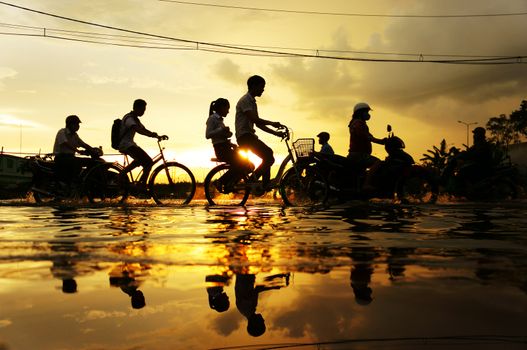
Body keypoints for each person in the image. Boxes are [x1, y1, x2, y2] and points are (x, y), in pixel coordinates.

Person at [235, 75, 286, 190]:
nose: (263, 89)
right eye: (261, 87)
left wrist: (275, 133)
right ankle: (258, 181)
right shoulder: (245, 101)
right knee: (268, 155)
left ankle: (262, 182)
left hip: (248, 136)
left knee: (268, 156)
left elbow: (258, 124)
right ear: (253, 86)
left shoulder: (252, 102)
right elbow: (255, 120)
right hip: (245, 136)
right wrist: (272, 123)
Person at [117, 99, 166, 189]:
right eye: (142, 109)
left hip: (130, 144)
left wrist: (156, 135)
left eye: (144, 110)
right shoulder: (129, 118)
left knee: (140, 160)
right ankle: (140, 185)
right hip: (126, 145)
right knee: (148, 162)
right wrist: (151, 135)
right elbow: (137, 129)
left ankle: (136, 183)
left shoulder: (135, 119)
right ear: (136, 108)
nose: (143, 112)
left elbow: (144, 129)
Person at [206, 98, 253, 189]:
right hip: (221, 149)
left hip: (226, 147)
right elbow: (208, 135)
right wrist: (222, 130)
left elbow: (220, 136)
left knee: (250, 165)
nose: (228, 111)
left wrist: (227, 135)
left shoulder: (220, 120)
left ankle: (233, 182)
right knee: (241, 163)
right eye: (227, 108)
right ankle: (221, 181)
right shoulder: (212, 119)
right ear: (221, 108)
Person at [347, 102, 386, 191]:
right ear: (360, 112)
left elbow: (369, 135)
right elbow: (366, 136)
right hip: (359, 155)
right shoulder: (358, 123)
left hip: (358, 154)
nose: (368, 114)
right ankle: (366, 184)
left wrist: (381, 141)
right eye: (366, 112)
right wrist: (379, 141)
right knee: (377, 162)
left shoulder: (358, 123)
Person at [53, 114, 100, 185]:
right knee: (77, 163)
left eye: (78, 124)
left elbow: (83, 144)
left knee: (90, 162)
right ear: (69, 124)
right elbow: (65, 144)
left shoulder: (75, 135)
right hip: (61, 158)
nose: (78, 126)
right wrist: (78, 151)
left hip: (70, 158)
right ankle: (72, 182)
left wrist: (92, 150)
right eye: (76, 124)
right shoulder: (62, 132)